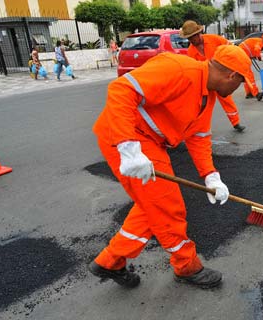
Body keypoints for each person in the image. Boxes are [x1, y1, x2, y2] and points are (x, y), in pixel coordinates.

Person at [88, 45, 254, 289]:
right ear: (231, 75)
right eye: (241, 83)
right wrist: (129, 148)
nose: (238, 89)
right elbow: (121, 89)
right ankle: (186, 266)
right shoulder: (179, 69)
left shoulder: (207, 95)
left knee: (151, 207)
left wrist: (211, 176)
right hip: (129, 138)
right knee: (169, 207)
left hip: (150, 143)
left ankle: (110, 261)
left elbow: (198, 137)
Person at [180, 20, 246, 132]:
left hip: (222, 77)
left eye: (192, 38)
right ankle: (203, 127)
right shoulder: (191, 51)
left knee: (226, 100)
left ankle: (235, 122)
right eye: (188, 39)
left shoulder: (214, 39)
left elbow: (231, 49)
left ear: (198, 34)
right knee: (204, 105)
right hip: (206, 81)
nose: (191, 41)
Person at [239, 33, 263, 98]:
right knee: (249, 76)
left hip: (242, 54)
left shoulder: (257, 41)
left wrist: (255, 57)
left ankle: (249, 93)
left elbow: (252, 50)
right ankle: (256, 93)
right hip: (242, 55)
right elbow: (256, 49)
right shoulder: (259, 42)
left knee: (246, 76)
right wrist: (259, 57)